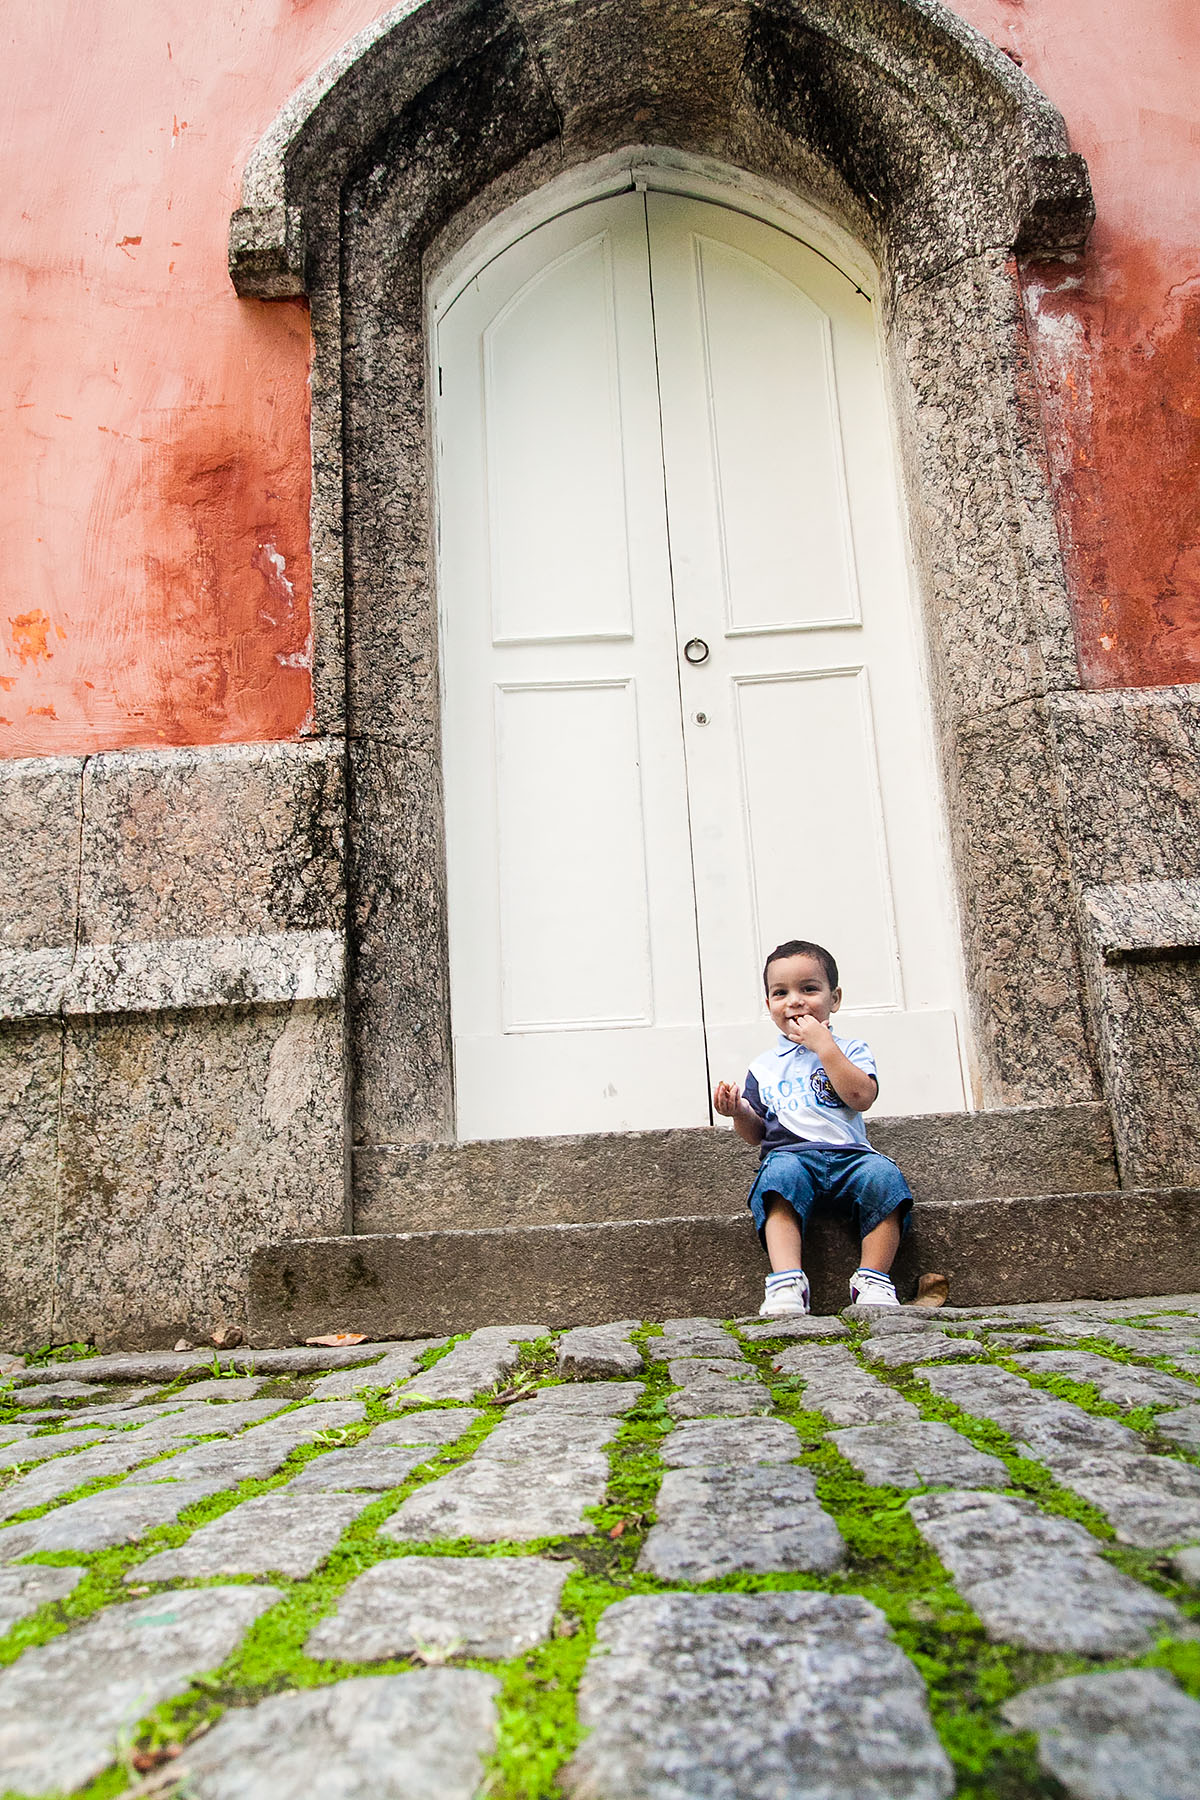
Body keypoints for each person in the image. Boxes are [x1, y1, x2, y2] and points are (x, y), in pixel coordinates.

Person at [714, 938, 912, 1317]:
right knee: (778, 1182)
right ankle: (787, 1280)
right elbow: (757, 1133)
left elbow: (860, 1096)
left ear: (834, 999)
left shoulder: (850, 1049)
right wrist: (737, 1110)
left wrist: (825, 1047)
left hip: (851, 1156)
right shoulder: (765, 1066)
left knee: (885, 1178)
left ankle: (873, 1278)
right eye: (780, 992)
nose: (795, 1001)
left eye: (809, 989)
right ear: (768, 1004)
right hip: (790, 1156)